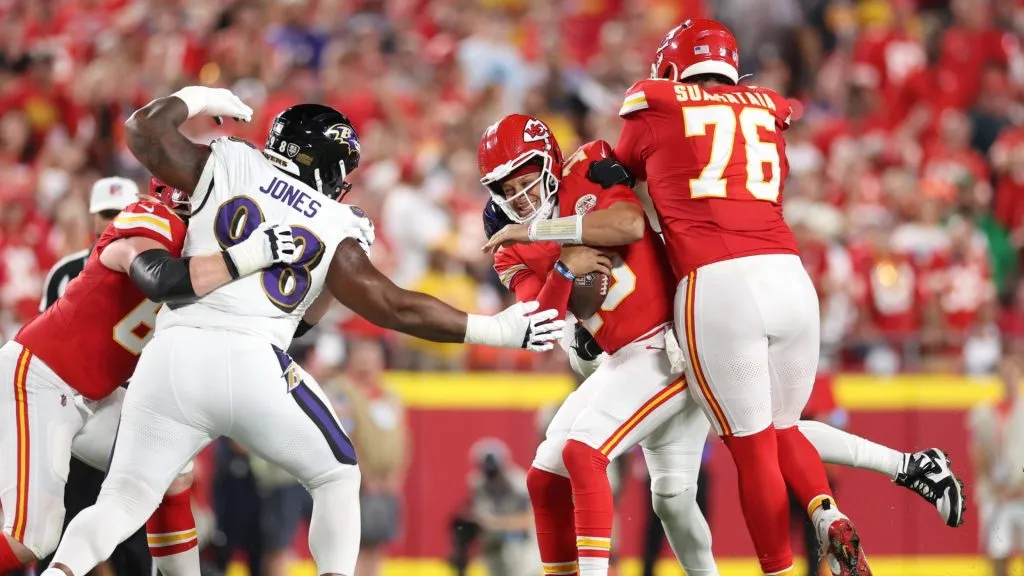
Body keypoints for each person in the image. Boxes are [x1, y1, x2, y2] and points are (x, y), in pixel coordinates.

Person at [40, 87, 564, 576]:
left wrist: (199, 97)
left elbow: (144, 132)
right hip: (251, 363)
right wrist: (494, 330)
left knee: (123, 500)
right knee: (336, 477)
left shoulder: (229, 159)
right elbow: (392, 306)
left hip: (172, 354)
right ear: (331, 164)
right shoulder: (335, 221)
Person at [481, 113, 967, 576]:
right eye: (506, 188)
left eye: (525, 177)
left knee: (731, 440)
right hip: (635, 350)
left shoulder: (589, 165)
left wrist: (551, 236)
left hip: (678, 335)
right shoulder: (505, 239)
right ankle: (902, 468)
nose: (519, 195)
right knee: (666, 490)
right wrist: (567, 268)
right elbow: (546, 311)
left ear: (549, 161)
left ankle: (890, 476)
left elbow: (626, 226)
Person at [612, 18, 953, 576]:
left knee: (752, 449)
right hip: (789, 277)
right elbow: (783, 108)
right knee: (784, 425)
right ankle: (826, 512)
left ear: (674, 68)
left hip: (718, 282)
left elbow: (619, 175)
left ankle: (777, 568)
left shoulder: (655, 101)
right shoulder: (768, 107)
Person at [0, 164, 294, 576]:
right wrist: (249, 254)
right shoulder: (148, 218)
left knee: (171, 464)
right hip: (42, 380)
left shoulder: (209, 260)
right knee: (33, 538)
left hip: (95, 394)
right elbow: (159, 278)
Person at [34, 176, 152, 576]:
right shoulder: (66, 271)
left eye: (119, 213)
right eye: (105, 213)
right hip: (77, 411)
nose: (111, 221)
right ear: (92, 218)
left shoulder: (154, 267)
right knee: (62, 524)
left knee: (134, 537)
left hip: (131, 412)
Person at [969, 355, 1024, 576]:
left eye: (1012, 374)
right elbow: (978, 452)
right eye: (1005, 375)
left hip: (1021, 492)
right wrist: (993, 486)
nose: (1008, 379)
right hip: (996, 493)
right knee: (997, 551)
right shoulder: (986, 412)